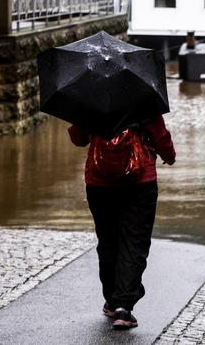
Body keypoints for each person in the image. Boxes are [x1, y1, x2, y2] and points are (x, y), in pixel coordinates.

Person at [68, 115, 176, 330]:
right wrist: (169, 155)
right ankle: (123, 306)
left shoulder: (91, 97)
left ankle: (112, 299)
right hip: (140, 181)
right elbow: (160, 134)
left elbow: (78, 138)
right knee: (134, 242)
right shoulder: (143, 96)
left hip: (99, 181)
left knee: (108, 241)